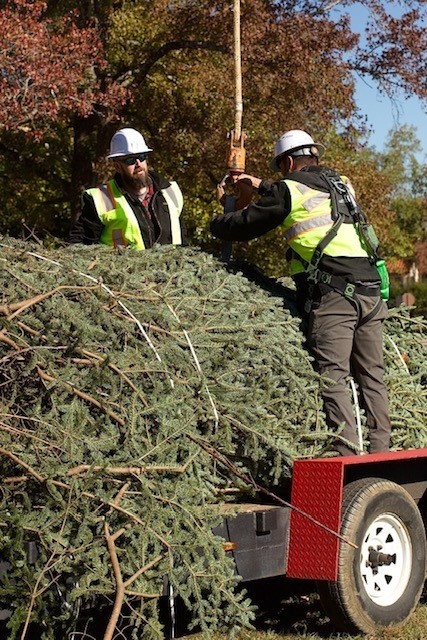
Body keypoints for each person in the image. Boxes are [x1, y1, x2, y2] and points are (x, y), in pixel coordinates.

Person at [210, 129, 391, 456]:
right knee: (372, 379)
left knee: (332, 378)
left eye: (281, 169)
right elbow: (302, 188)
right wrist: (262, 184)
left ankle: (348, 462)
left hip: (336, 296)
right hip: (371, 293)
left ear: (289, 161)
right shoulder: (342, 184)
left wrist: (221, 216)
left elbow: (245, 226)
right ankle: (381, 457)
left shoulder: (288, 189)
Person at [69, 127, 187, 249]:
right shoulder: (101, 199)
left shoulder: (170, 192)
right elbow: (79, 244)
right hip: (125, 268)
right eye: (130, 160)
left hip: (170, 268)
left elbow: (183, 242)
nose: (138, 164)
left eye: (141, 157)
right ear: (117, 166)